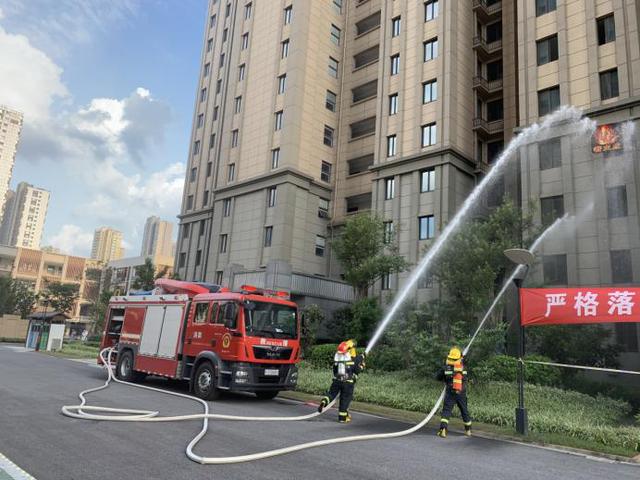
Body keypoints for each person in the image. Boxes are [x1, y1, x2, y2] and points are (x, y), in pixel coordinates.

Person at [317, 339, 366, 423]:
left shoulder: (337, 360)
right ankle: (342, 418)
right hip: (348, 383)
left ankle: (324, 401)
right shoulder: (352, 361)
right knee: (345, 399)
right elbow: (357, 370)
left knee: (331, 394)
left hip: (337, 381)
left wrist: (362, 356)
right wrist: (362, 366)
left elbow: (334, 371)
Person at [436, 346, 472, 438]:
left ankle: (443, 430)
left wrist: (445, 376)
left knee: (446, 411)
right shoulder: (463, 367)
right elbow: (466, 377)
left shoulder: (446, 368)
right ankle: (468, 430)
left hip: (450, 392)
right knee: (464, 410)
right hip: (461, 392)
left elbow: (438, 377)